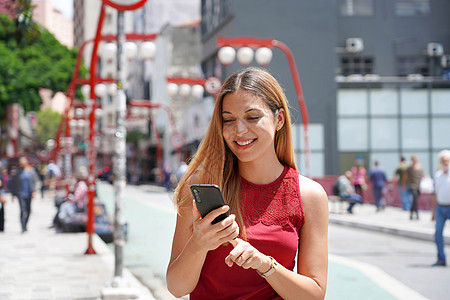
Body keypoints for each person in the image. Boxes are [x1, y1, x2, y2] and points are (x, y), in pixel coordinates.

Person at [166, 67, 328, 299]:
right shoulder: (200, 184)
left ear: (279, 119)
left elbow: (314, 295)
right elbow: (177, 287)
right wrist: (199, 243)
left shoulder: (310, 196)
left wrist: (264, 264)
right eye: (228, 120)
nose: (239, 130)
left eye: (253, 117)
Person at [9, 157, 39, 233]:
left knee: (29, 210)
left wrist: (34, 191)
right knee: (22, 210)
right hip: (20, 194)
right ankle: (22, 227)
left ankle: (25, 224)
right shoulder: (17, 172)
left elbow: (34, 181)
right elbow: (13, 184)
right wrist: (13, 194)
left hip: (29, 193)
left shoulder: (31, 171)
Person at [431, 150, 450, 267]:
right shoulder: (438, 175)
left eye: (447, 160)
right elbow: (435, 194)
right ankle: (441, 258)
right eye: (443, 161)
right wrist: (433, 212)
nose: (446, 163)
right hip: (440, 208)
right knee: (438, 234)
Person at [402, 155, 424, 220]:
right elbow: (405, 177)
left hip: (418, 186)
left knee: (415, 200)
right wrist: (403, 186)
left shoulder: (419, 167)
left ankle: (412, 213)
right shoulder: (409, 168)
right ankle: (416, 213)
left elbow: (421, 176)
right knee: (414, 199)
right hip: (412, 185)